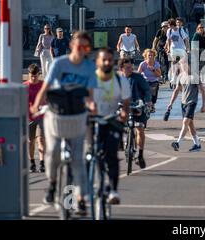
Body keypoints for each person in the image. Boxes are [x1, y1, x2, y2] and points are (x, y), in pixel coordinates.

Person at [30, 31, 97, 215]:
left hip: (77, 116)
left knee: (78, 159)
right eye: (78, 45)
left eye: (85, 46)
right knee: (52, 153)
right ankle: (52, 184)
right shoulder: (60, 63)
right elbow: (46, 87)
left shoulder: (89, 67)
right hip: (56, 115)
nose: (80, 49)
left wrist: (93, 109)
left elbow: (90, 96)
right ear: (71, 45)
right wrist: (36, 106)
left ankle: (81, 199)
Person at [93, 48, 131, 205]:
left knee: (112, 156)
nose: (107, 62)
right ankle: (91, 184)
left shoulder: (120, 80)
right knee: (91, 154)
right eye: (104, 60)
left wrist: (123, 114)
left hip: (111, 120)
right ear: (98, 62)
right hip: (93, 120)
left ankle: (113, 190)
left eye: (110, 60)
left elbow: (126, 103)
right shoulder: (91, 79)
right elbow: (84, 99)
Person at [118, 58, 152, 169]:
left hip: (138, 105)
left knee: (139, 128)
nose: (130, 69)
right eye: (127, 68)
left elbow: (147, 90)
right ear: (121, 68)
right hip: (123, 106)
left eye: (131, 67)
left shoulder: (138, 77)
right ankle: (120, 144)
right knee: (115, 123)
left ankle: (140, 155)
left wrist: (147, 101)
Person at [168, 58, 205, 152]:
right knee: (190, 125)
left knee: (185, 122)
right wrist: (170, 103)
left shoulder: (194, 76)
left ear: (189, 65)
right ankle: (197, 144)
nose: (183, 66)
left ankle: (178, 143)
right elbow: (177, 90)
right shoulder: (181, 76)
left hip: (192, 102)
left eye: (184, 64)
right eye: (181, 65)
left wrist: (203, 105)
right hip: (183, 103)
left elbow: (202, 90)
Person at [24, 64, 46, 173]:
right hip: (29, 118)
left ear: (39, 75)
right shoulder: (24, 86)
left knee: (40, 140)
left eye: (35, 76)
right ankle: (32, 162)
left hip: (41, 117)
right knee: (30, 142)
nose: (33, 78)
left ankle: (42, 163)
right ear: (29, 74)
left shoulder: (43, 85)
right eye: (31, 76)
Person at [166, 18, 190, 85]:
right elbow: (168, 40)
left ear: (172, 25)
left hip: (181, 48)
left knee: (183, 62)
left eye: (169, 26)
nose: (169, 27)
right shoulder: (169, 31)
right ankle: (173, 77)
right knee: (173, 62)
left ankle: (184, 75)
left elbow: (186, 39)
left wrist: (187, 48)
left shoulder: (180, 30)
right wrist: (168, 48)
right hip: (173, 48)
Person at [138, 49, 162, 113]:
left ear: (154, 56)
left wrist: (153, 70)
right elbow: (138, 74)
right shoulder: (143, 64)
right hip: (145, 81)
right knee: (144, 91)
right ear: (146, 56)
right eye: (149, 55)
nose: (150, 57)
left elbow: (159, 75)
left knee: (153, 93)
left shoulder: (156, 64)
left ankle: (152, 105)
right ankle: (145, 105)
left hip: (154, 81)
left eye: (152, 55)